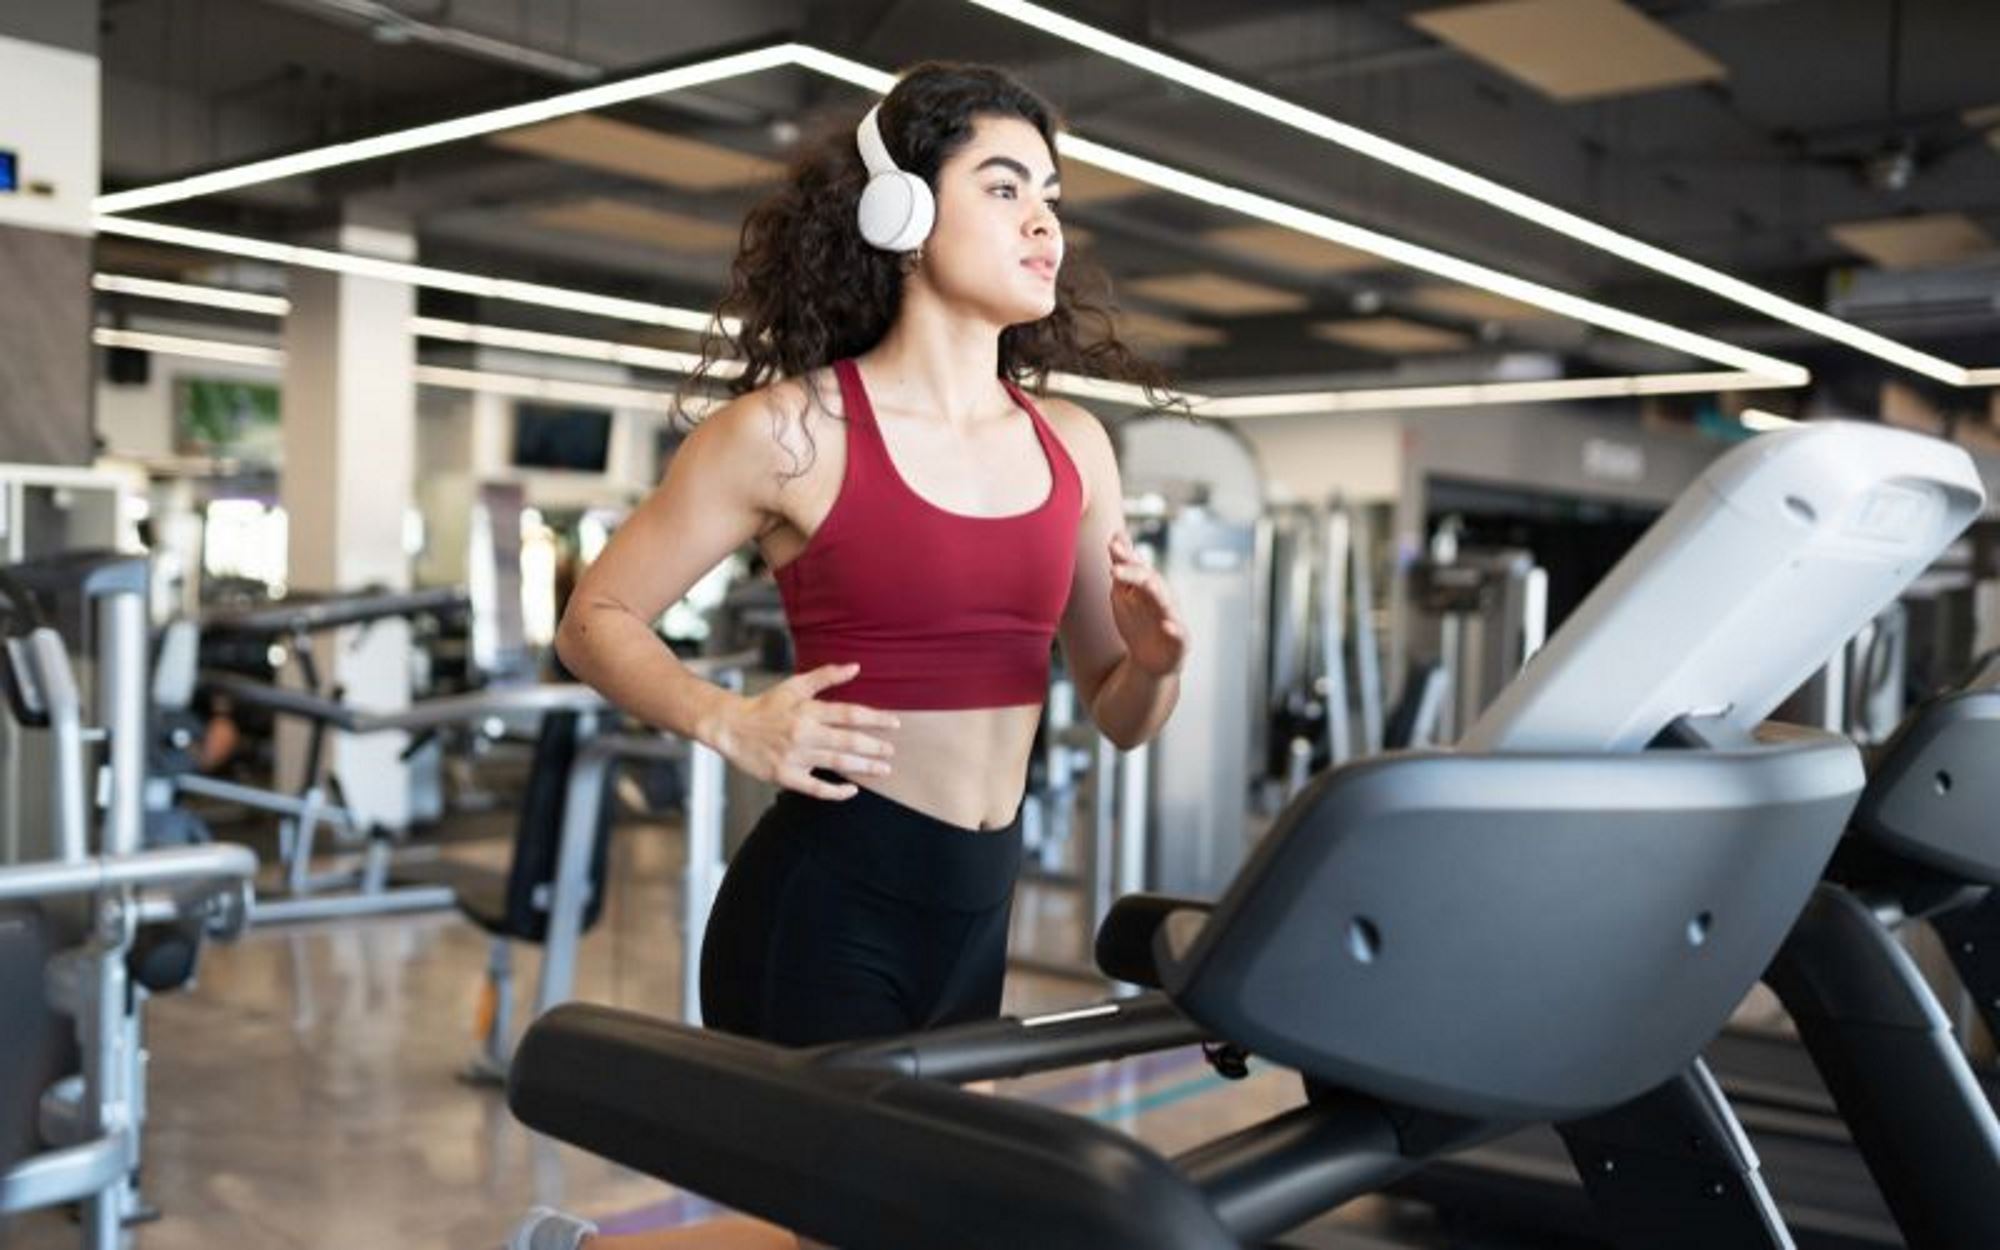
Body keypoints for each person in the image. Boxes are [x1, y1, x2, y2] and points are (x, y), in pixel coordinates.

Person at [513, 60, 1188, 1250]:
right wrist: (728, 718)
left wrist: (1157, 660)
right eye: (1002, 185)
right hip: (828, 903)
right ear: (904, 214)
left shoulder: (1075, 446)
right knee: (853, 1225)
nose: (1043, 220)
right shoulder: (790, 432)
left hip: (974, 905)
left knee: (922, 1219)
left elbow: (1120, 712)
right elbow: (594, 619)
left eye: (1052, 194)